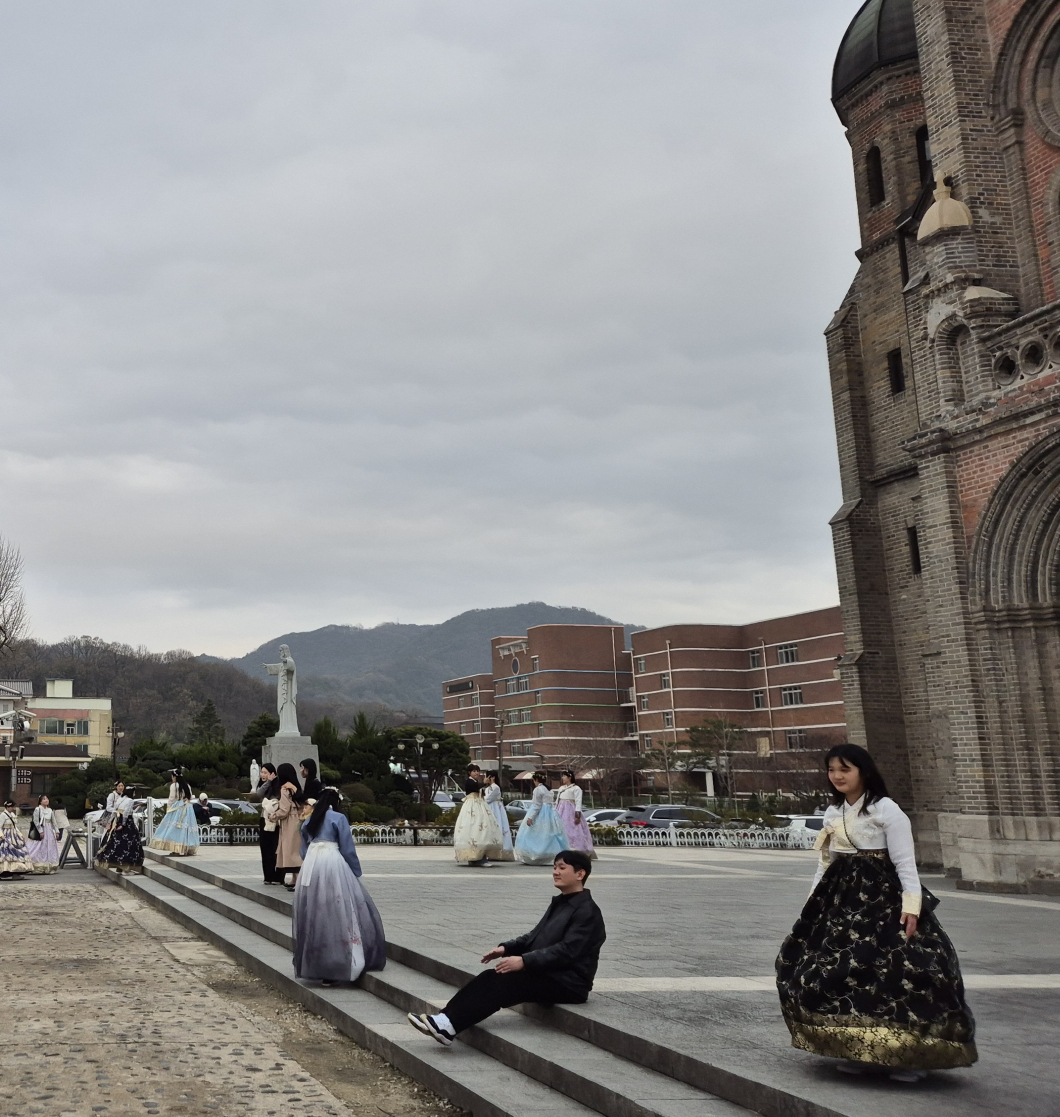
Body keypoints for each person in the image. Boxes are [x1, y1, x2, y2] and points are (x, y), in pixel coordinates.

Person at [775, 744, 977, 1080]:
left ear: (864, 772)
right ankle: (855, 1046)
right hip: (842, 899)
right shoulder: (832, 812)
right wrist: (813, 904)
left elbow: (905, 863)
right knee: (836, 969)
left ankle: (908, 1055)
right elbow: (826, 863)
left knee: (903, 969)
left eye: (845, 769)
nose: (837, 776)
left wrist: (911, 908)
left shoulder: (886, 809)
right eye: (831, 770)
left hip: (884, 898)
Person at [408, 850, 605, 1045]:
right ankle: (445, 1021)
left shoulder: (587, 911)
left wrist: (524, 961)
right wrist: (506, 949)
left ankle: (448, 1025)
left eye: (562, 868)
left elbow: (567, 951)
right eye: (554, 867)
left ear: (580, 874)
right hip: (550, 973)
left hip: (569, 983)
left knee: (504, 983)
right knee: (491, 976)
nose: (555, 872)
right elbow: (534, 936)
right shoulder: (561, 902)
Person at [293, 787, 386, 985]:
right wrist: (355, 870)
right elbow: (347, 847)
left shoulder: (310, 819)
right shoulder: (338, 818)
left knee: (315, 910)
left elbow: (303, 849)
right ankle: (341, 959)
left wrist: (310, 859)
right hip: (331, 860)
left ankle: (316, 962)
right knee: (339, 908)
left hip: (312, 863)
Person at [514, 772, 568, 866]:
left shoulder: (538, 789)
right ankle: (550, 854)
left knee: (534, 833)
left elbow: (537, 805)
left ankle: (536, 854)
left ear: (536, 780)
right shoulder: (549, 789)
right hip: (550, 812)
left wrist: (531, 817)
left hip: (541, 813)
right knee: (549, 834)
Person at [453, 764, 501, 867]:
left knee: (482, 829)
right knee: (475, 829)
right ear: (469, 772)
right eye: (474, 771)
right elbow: (475, 788)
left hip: (479, 804)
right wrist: (483, 783)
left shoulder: (476, 782)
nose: (476, 773)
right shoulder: (469, 781)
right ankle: (476, 858)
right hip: (472, 806)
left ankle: (479, 857)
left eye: (478, 771)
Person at [148, 770, 200, 856]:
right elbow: (190, 797)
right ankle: (187, 849)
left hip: (179, 807)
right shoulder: (187, 785)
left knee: (175, 828)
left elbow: (171, 799)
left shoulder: (174, 786)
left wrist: (169, 809)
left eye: (172, 777)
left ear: (174, 777)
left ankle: (176, 849)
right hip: (188, 807)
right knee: (187, 828)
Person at [273, 762, 307, 891]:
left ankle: (297, 879)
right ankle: (294, 879)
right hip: (298, 820)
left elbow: (284, 810)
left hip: (289, 822)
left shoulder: (284, 789)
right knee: (296, 849)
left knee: (290, 850)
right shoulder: (296, 788)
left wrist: (272, 816)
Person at [95, 786, 144, 873]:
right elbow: (126, 813)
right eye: (133, 792)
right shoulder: (130, 800)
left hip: (116, 821)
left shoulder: (120, 799)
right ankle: (127, 866)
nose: (134, 794)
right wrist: (123, 824)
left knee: (116, 843)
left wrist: (110, 823)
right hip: (127, 822)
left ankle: (118, 865)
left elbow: (114, 811)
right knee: (130, 844)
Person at [555, 770, 597, 860]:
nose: (562, 778)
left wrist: (577, 815)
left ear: (569, 777)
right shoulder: (561, 788)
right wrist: (555, 811)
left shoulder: (576, 788)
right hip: (560, 810)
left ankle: (576, 850)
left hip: (570, 811)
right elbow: (557, 801)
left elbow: (578, 802)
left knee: (573, 831)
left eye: (564, 776)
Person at [253, 763, 283, 885]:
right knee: (265, 849)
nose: (263, 775)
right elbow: (259, 794)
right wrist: (268, 782)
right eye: (262, 772)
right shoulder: (265, 785)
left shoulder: (278, 785)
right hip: (264, 819)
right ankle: (268, 876)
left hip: (275, 821)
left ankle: (278, 876)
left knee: (275, 848)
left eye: (265, 772)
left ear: (272, 773)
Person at [25, 793, 62, 873]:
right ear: (40, 801)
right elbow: (36, 821)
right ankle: (36, 864)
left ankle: (49, 865)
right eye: (44, 799)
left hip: (49, 831)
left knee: (49, 847)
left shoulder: (50, 810)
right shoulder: (38, 809)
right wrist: (41, 831)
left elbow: (54, 822)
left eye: (47, 799)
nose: (46, 800)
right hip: (41, 830)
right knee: (38, 847)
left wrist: (57, 831)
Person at [482, 773, 514, 862]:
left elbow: (488, 799)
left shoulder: (496, 787)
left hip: (496, 809)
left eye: (488, 777)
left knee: (498, 826)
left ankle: (500, 851)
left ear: (492, 777)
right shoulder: (488, 788)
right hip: (490, 808)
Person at [0, 800, 33, 877]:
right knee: (7, 852)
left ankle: (16, 872)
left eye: (13, 807)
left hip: (14, 835)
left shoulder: (12, 814)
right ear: (7, 807)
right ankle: (4, 871)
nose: (13, 808)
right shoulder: (3, 815)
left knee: (18, 851)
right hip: (6, 834)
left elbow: (15, 826)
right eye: (11, 807)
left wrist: (20, 835)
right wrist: (1, 835)